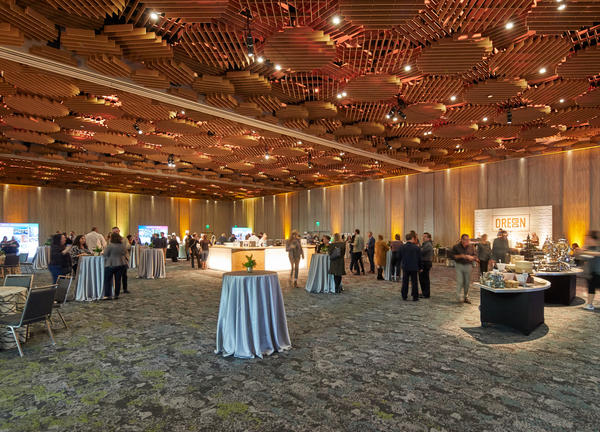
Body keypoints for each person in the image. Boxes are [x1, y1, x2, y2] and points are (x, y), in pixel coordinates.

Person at [451, 234, 478, 304]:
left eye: (468, 240)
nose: (467, 241)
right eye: (465, 239)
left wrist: (472, 258)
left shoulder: (471, 247)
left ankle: (466, 296)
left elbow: (475, 256)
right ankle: (458, 297)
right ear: (462, 240)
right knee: (460, 281)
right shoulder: (456, 247)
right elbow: (452, 256)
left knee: (467, 282)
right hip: (459, 265)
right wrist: (461, 256)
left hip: (468, 266)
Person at [578, 232, 600, 311]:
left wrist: (584, 251)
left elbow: (597, 254)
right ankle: (589, 304)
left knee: (592, 287)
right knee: (591, 287)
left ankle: (589, 304)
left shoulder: (598, 247)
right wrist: (582, 250)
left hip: (598, 272)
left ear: (592, 238)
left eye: (587, 238)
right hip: (593, 273)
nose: (586, 240)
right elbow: (584, 257)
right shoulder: (589, 247)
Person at [103, 232, 127, 300]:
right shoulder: (122, 245)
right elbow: (125, 253)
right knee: (118, 280)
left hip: (110, 264)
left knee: (108, 280)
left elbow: (105, 254)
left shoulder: (110, 245)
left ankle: (108, 295)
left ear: (111, 238)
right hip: (121, 264)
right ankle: (116, 294)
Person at [401, 233, 421, 301]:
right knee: (414, 282)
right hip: (414, 267)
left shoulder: (403, 247)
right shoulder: (416, 247)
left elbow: (399, 256)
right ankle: (415, 297)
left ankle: (404, 296)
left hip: (405, 266)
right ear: (412, 238)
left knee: (405, 282)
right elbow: (419, 259)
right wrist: (420, 267)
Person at [111, 226, 130, 294]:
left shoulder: (124, 239)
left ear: (119, 231)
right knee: (114, 276)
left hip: (123, 259)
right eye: (114, 232)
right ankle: (114, 289)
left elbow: (128, 246)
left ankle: (125, 288)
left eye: (116, 231)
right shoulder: (110, 240)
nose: (115, 233)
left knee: (124, 275)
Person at [419, 233, 433, 298]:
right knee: (422, 278)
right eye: (423, 236)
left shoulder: (428, 245)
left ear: (429, 238)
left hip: (426, 263)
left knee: (425, 279)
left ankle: (426, 294)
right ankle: (424, 292)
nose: (423, 238)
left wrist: (418, 249)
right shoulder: (425, 244)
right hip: (424, 262)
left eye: (425, 237)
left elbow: (421, 252)